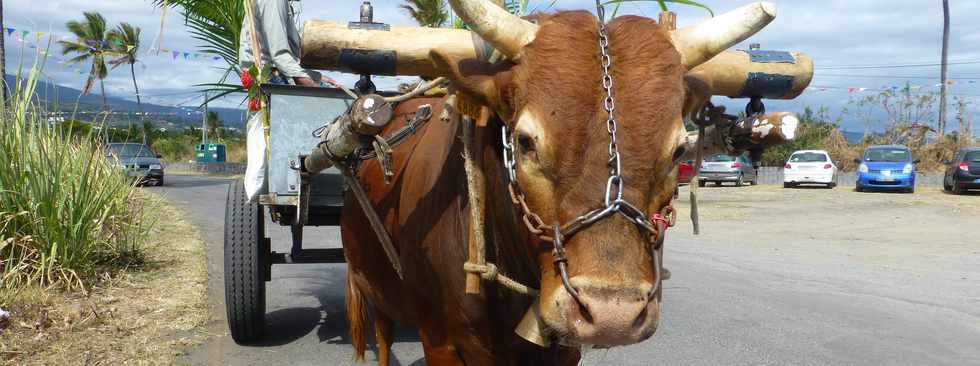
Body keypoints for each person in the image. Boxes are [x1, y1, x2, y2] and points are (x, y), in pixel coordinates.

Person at [239, 0, 320, 87]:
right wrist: (311, 83)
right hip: (269, 78)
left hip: (270, 75)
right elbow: (279, 55)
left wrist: (316, 77)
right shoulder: (274, 2)